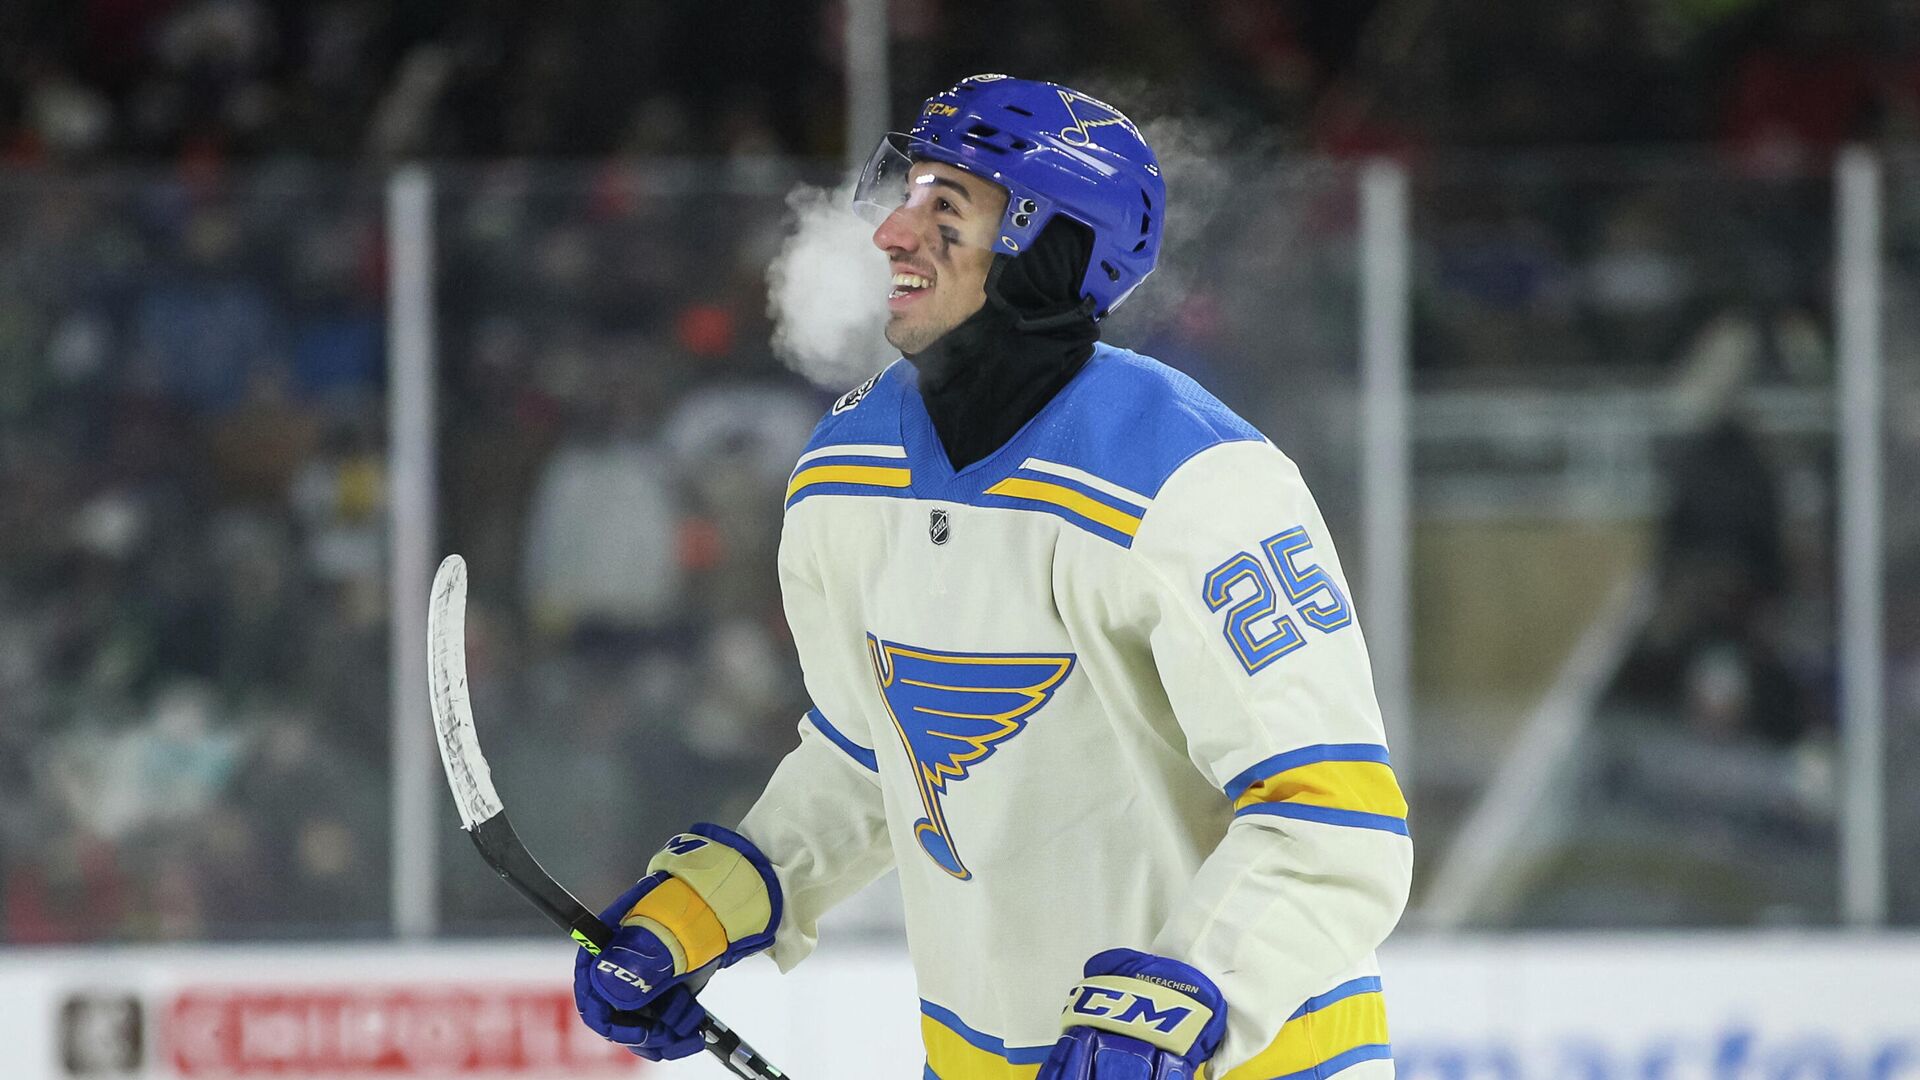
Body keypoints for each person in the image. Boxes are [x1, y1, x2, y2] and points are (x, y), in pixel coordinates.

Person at [572, 74, 1412, 1080]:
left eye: (946, 208)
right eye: (907, 193)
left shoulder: (1200, 487)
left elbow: (1334, 821)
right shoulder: (846, 476)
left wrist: (1185, 998)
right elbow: (879, 756)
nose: (892, 234)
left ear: (1049, 249)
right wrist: (723, 899)